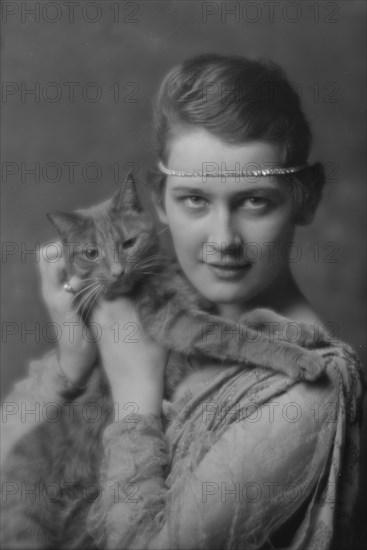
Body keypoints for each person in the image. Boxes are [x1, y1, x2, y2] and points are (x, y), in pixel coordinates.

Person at [1, 54, 365, 550]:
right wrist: (70, 363)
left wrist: (133, 392)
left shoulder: (305, 397)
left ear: (306, 196)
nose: (223, 240)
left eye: (255, 200)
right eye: (195, 199)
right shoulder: (149, 307)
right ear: (159, 199)